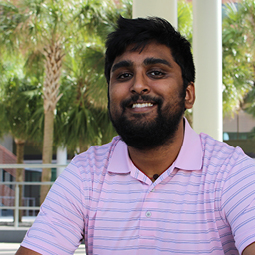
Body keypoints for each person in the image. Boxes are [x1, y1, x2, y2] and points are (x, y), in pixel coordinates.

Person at [16, 16, 255, 255]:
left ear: (188, 94)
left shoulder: (232, 172)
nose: (138, 86)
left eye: (157, 72)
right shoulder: (86, 174)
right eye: (123, 75)